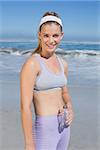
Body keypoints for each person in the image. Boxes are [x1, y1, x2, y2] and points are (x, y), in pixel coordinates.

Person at [20, 11, 74, 150]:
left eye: (55, 35)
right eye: (46, 35)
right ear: (39, 35)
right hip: (45, 129)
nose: (51, 40)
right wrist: (29, 144)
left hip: (64, 127)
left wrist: (70, 108)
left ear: (61, 36)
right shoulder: (32, 64)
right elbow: (25, 107)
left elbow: (64, 93)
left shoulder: (63, 64)